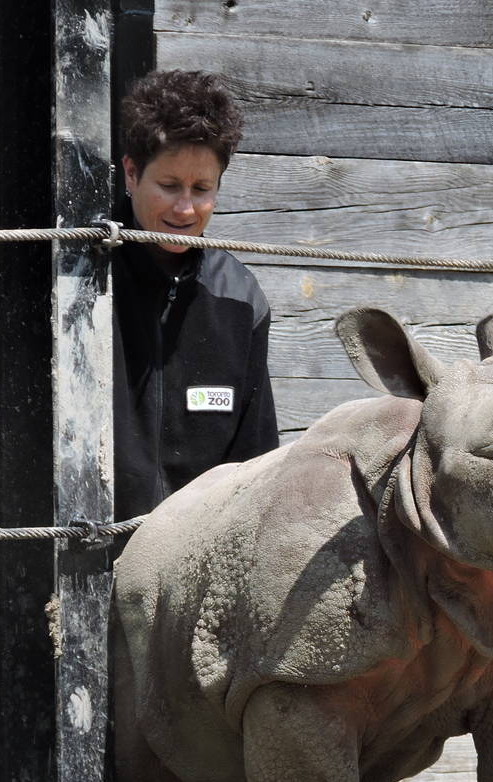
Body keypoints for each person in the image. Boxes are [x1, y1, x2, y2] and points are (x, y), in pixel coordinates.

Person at [112, 70, 279, 520]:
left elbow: (256, 460)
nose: (185, 209)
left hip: (197, 561)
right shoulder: (81, 279)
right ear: (131, 172)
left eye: (202, 189)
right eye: (169, 186)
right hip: (83, 556)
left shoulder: (241, 299)